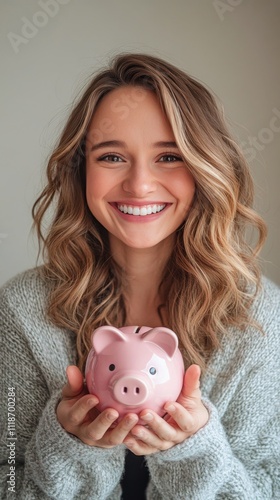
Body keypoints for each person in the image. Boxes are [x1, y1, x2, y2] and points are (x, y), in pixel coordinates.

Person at [0, 53, 279, 500]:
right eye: (111, 156)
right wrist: (69, 444)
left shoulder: (258, 317)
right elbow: (8, 482)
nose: (140, 184)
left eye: (169, 156)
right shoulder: (24, 309)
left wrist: (194, 450)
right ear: (80, 170)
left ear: (204, 168)